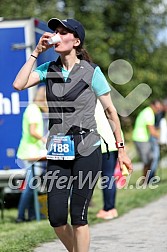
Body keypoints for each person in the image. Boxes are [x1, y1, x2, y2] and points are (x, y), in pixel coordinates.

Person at [13, 17, 132, 252]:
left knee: (78, 215)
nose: (57, 34)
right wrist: (36, 52)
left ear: (76, 41)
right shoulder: (48, 69)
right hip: (58, 149)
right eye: (56, 31)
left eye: (63, 32)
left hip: (88, 148)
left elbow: (111, 113)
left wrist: (121, 149)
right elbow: (18, 85)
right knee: (56, 218)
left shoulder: (92, 72)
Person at [15, 86, 47, 223]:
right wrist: (45, 139)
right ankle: (21, 216)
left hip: (32, 152)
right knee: (30, 187)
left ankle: (33, 215)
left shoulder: (33, 109)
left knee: (33, 185)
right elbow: (33, 131)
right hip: (30, 152)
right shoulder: (33, 110)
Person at [95, 100, 121, 220]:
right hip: (113, 144)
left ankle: (108, 209)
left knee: (106, 178)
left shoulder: (93, 105)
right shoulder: (106, 104)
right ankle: (112, 208)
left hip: (102, 145)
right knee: (109, 176)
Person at [132, 100, 162, 181]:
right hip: (141, 139)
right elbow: (152, 131)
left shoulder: (147, 111)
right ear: (153, 106)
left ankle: (147, 179)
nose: (158, 110)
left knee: (149, 160)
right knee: (148, 160)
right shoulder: (149, 113)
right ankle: (146, 179)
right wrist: (161, 138)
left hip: (142, 138)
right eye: (157, 108)